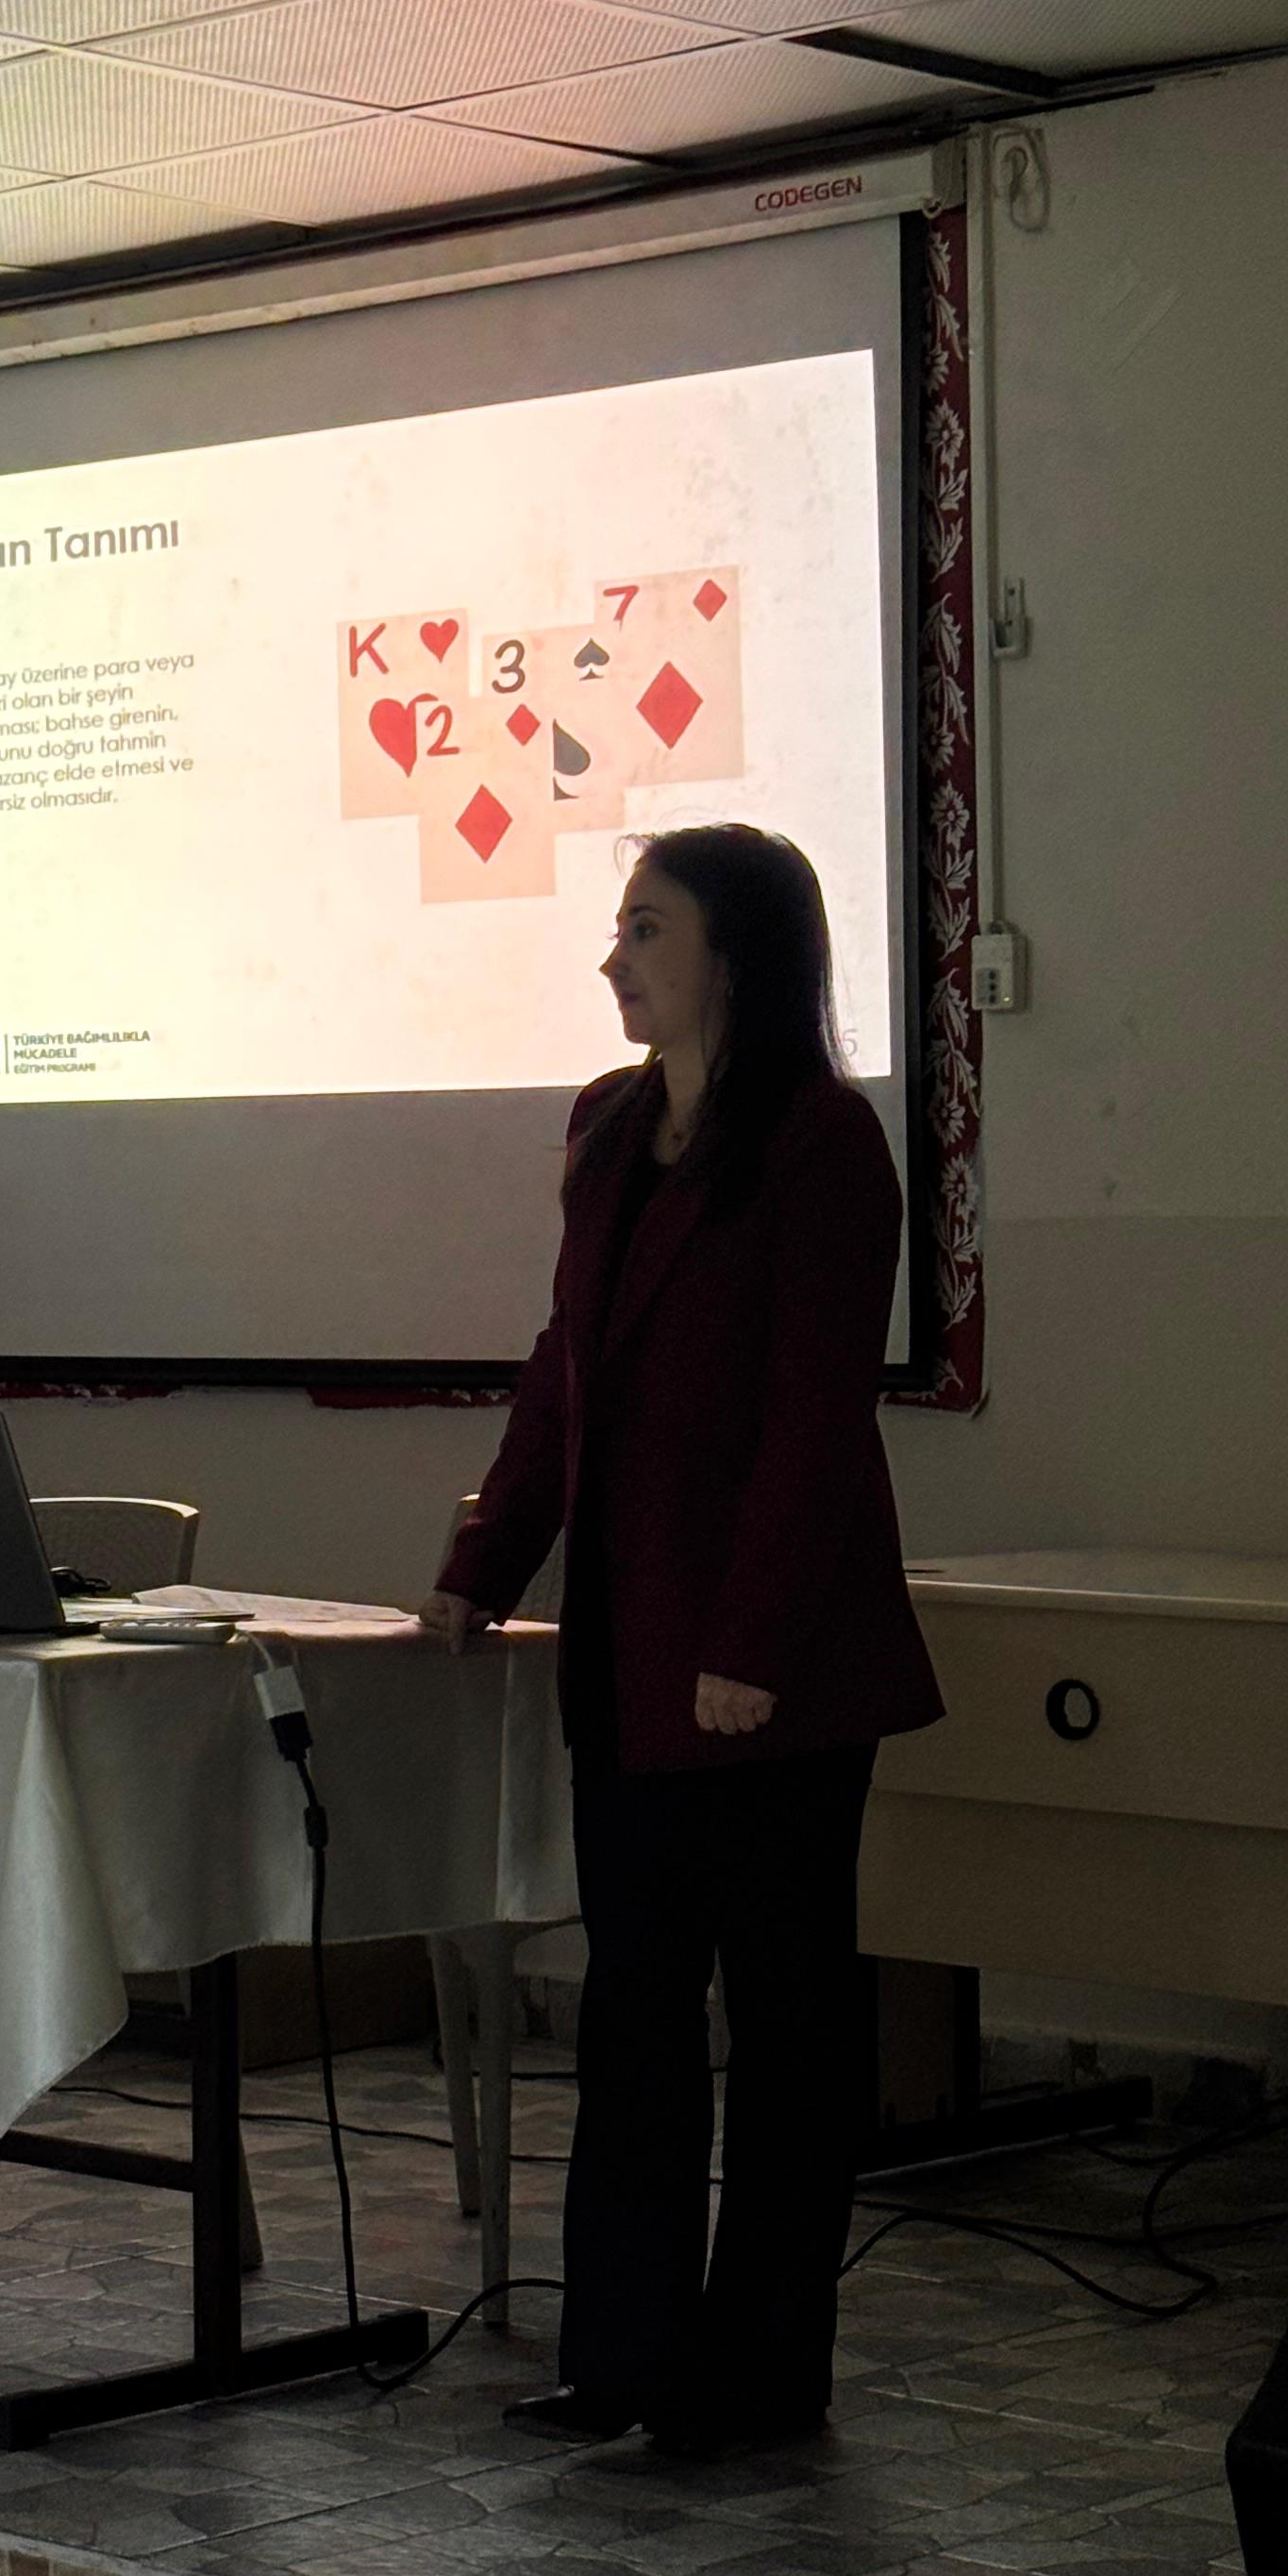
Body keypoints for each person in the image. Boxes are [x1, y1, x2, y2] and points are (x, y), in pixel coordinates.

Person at [420, 824, 943, 2460]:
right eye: (619, 927)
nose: (614, 958)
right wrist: (484, 1562)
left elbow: (812, 1415)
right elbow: (564, 1369)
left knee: (784, 2026)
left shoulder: (825, 1142)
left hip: (774, 1667)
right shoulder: (606, 1128)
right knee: (635, 2012)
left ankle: (763, 2376)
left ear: (738, 951)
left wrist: (750, 1641)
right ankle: (623, 2358)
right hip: (629, 1651)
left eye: (646, 928)